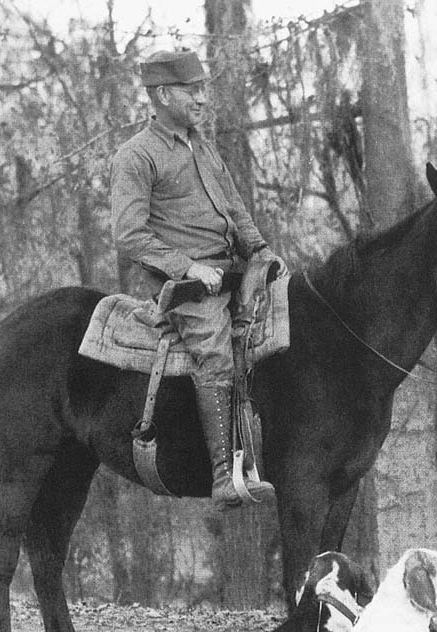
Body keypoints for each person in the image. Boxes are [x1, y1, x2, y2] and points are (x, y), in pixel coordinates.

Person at [111, 50, 283, 508]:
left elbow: (235, 207)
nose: (203, 99)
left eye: (203, 89)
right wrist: (188, 267)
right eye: (193, 90)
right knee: (213, 350)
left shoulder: (203, 147)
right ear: (164, 94)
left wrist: (261, 250)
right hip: (185, 285)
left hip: (230, 269)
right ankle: (225, 477)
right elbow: (130, 235)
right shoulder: (136, 156)